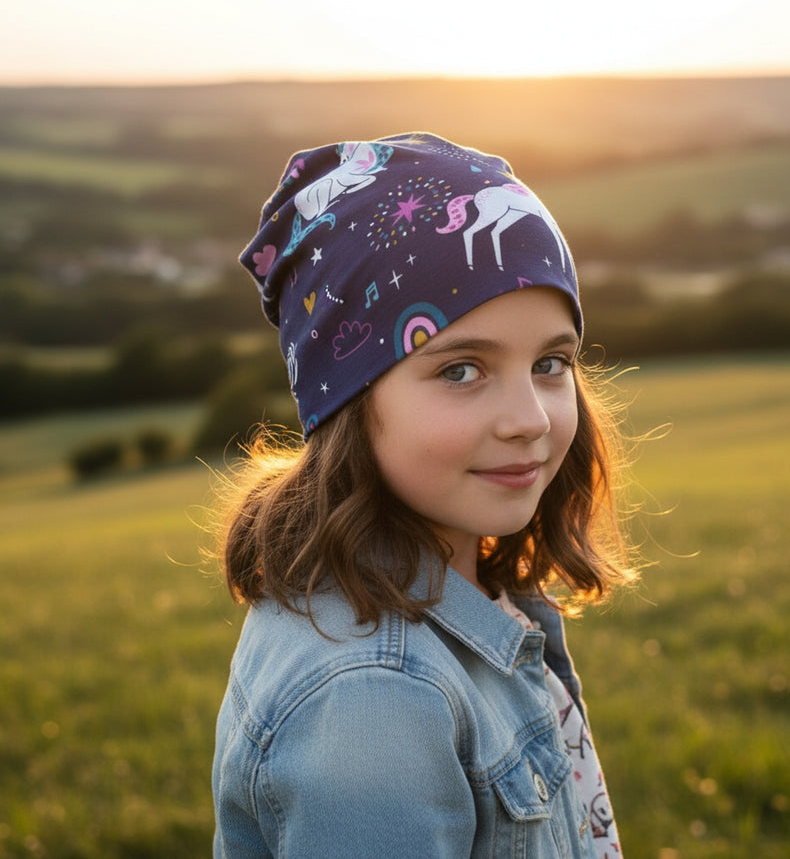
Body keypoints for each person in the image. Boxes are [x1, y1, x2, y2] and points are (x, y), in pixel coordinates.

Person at [212, 132, 639, 858]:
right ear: (347, 397)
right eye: (460, 371)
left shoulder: (465, 582)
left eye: (550, 363)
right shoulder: (375, 697)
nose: (530, 419)